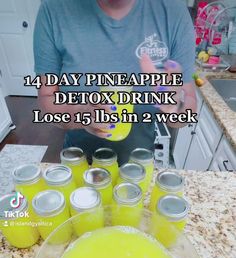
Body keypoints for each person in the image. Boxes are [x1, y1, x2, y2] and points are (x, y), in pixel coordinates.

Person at [34, 0, 197, 164]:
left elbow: (187, 104)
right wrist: (81, 113)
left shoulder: (173, 11)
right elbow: (47, 98)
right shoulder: (54, 9)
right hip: (79, 162)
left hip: (138, 164)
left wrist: (174, 108)